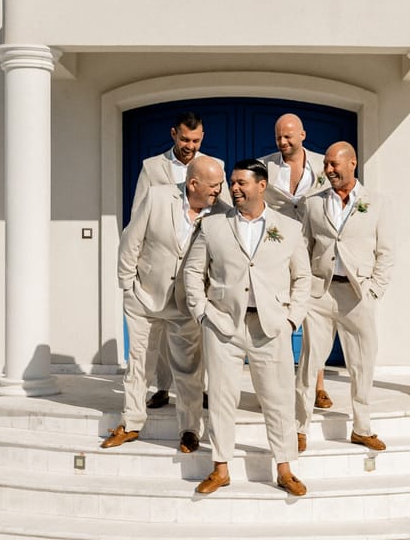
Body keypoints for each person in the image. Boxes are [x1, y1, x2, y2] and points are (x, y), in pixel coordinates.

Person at [184, 158, 311, 497]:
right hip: (223, 324)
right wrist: (202, 313)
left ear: (261, 185)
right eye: (232, 182)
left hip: (271, 326)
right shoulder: (213, 226)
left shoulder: (289, 228)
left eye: (242, 182)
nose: (234, 188)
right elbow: (193, 272)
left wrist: (291, 319)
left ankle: (284, 468)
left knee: (278, 398)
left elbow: (303, 278)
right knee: (221, 397)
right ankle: (220, 467)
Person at [102, 155, 227, 453]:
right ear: (193, 184)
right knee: (139, 363)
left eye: (221, 184)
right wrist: (127, 286)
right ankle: (131, 423)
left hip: (187, 304)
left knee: (189, 370)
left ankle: (189, 430)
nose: (219, 190)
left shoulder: (221, 212)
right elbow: (131, 240)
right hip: (144, 296)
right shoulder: (157, 197)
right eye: (213, 185)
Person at [295, 141, 394, 455]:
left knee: (362, 363)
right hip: (320, 293)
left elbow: (386, 253)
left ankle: (361, 428)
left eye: (334, 164)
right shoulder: (313, 203)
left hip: (358, 294)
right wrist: (303, 287)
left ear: (352, 163)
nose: (328, 170)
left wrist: (374, 291)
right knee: (309, 362)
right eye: (326, 164)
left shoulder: (377, 203)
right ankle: (299, 428)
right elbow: (303, 247)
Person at [131, 111, 228, 409]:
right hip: (161, 266)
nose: (190, 146)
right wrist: (131, 275)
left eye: (196, 140)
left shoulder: (215, 165)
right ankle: (162, 387)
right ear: (174, 134)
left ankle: (201, 389)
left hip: (199, 264)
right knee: (161, 336)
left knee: (198, 332)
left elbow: (222, 211)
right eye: (185, 139)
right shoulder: (152, 167)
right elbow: (138, 216)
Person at [261, 112, 333, 410]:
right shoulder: (264, 166)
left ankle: (318, 385)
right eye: (278, 136)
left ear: (302, 135)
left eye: (288, 136)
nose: (282, 141)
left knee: (315, 322)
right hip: (278, 251)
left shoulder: (323, 165)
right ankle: (276, 388)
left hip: (314, 250)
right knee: (278, 317)